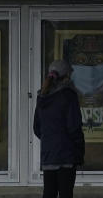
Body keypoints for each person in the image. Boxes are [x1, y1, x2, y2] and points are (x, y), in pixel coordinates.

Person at [34, 60, 85, 198]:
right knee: (66, 193)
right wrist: (79, 151)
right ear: (66, 76)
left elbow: (37, 128)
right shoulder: (68, 96)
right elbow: (74, 127)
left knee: (49, 193)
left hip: (48, 155)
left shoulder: (42, 96)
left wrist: (50, 140)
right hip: (66, 154)